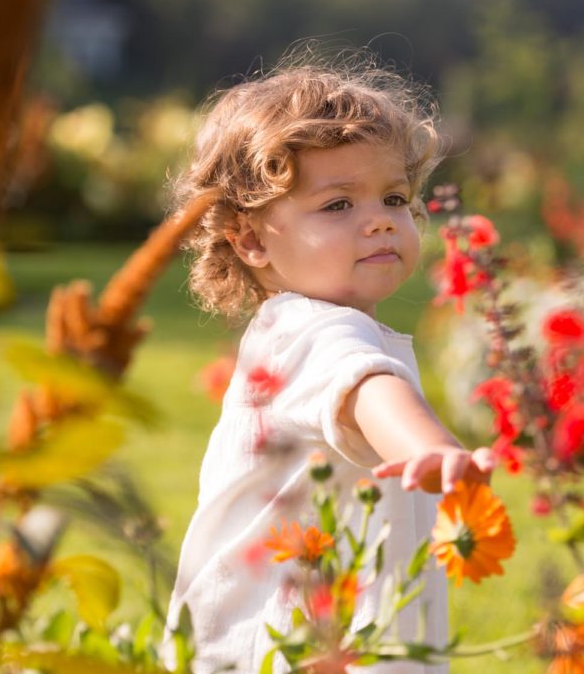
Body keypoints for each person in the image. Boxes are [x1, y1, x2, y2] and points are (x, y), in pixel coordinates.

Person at [164, 56, 494, 674]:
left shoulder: (295, 330)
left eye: (394, 197)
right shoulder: (316, 329)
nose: (379, 219)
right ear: (252, 239)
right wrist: (430, 447)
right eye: (338, 205)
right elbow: (367, 391)